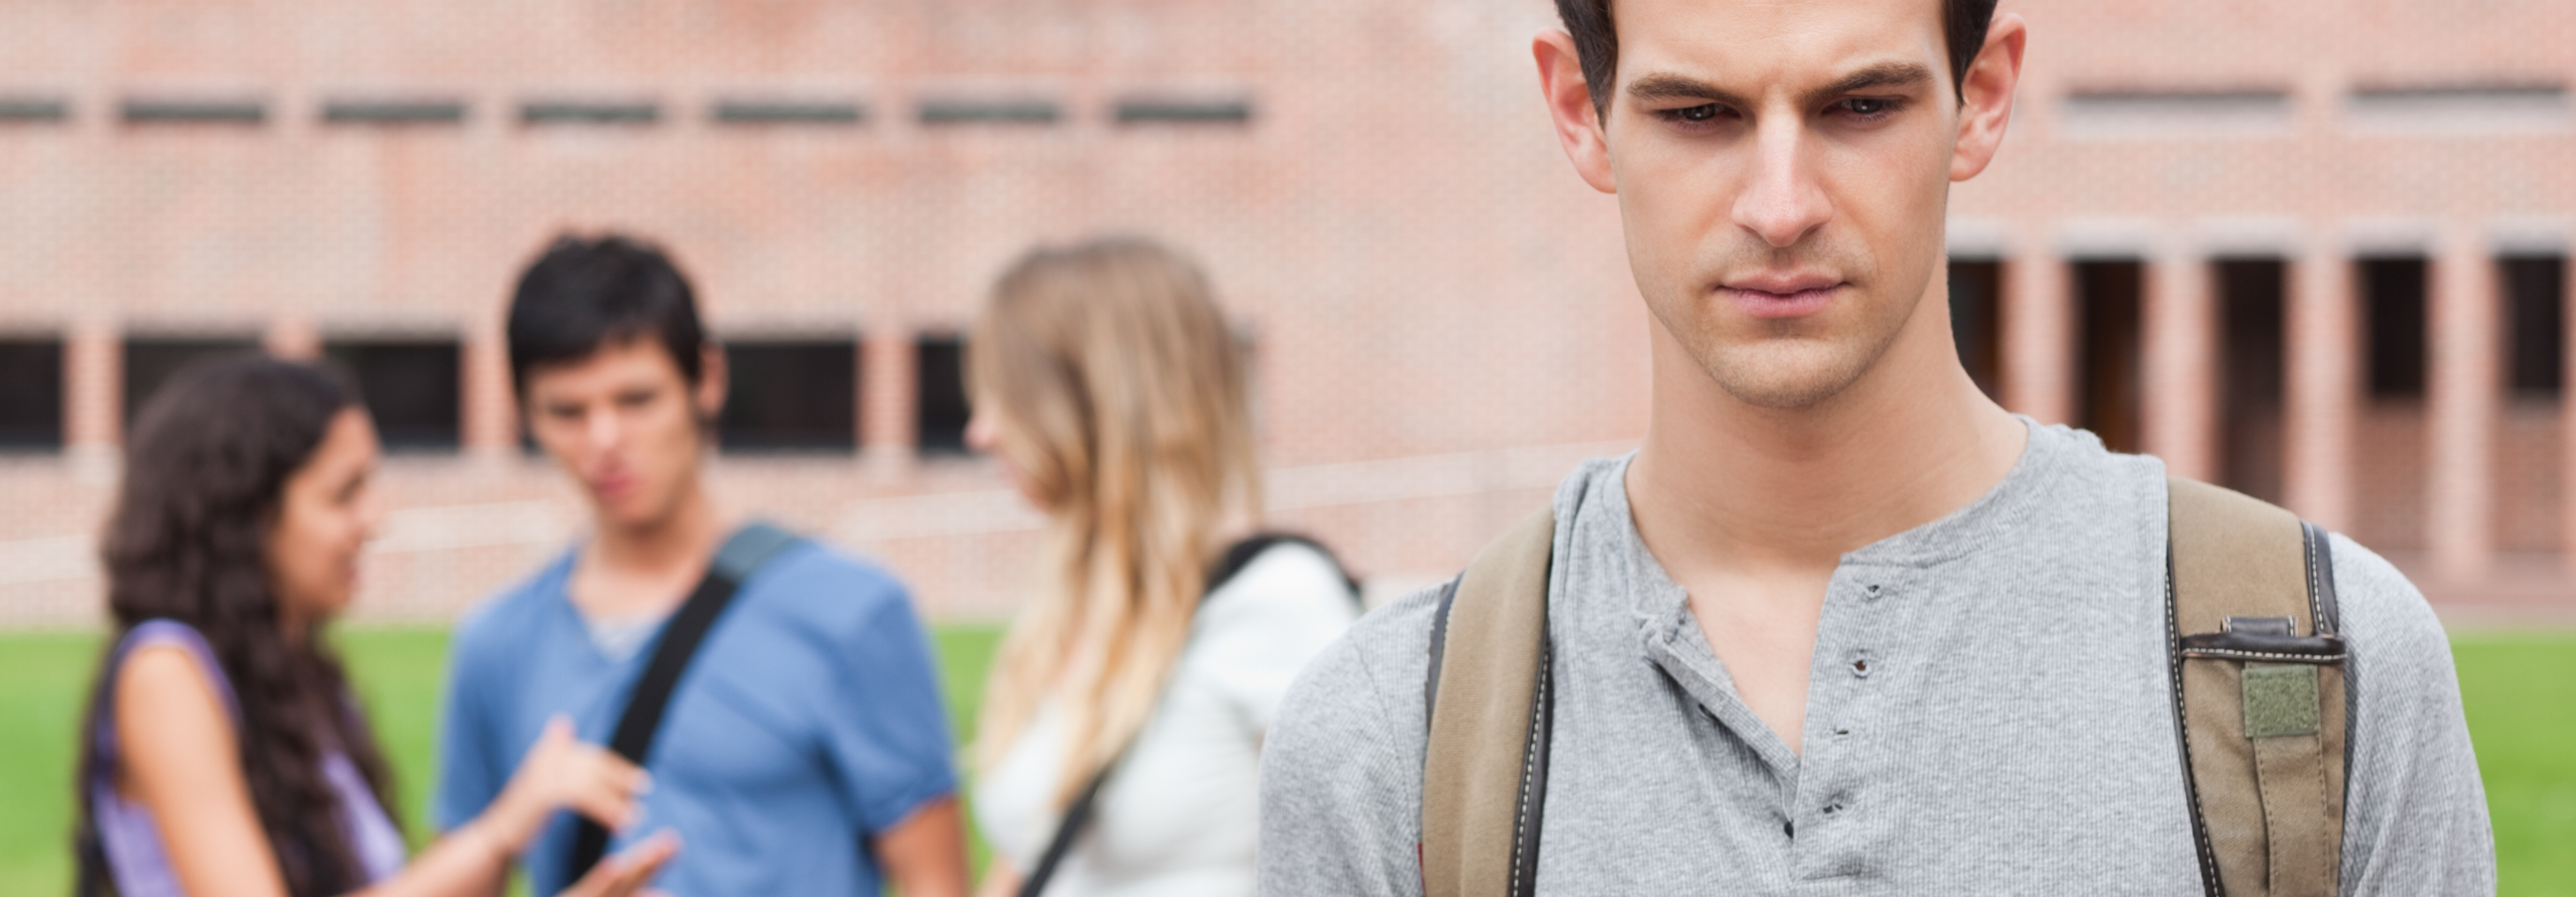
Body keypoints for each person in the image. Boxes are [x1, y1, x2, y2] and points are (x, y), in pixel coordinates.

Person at [1259, 0, 2495, 894]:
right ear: (1579, 115)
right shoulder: (1389, 741)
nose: (1779, 204)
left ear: (1981, 98)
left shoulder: (2325, 665)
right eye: (1699, 113)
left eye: (1858, 106)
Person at [432, 234, 969, 897]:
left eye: (636, 400)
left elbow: (936, 883)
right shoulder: (496, 643)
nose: (604, 441)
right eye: (567, 411)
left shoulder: (852, 612)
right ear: (525, 415)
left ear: (706, 380)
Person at [73, 354, 674, 897]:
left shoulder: (305, 678)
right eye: (344, 494)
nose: (373, 520)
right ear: (250, 517)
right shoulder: (166, 673)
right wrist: (502, 828)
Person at [962, 239, 1359, 897]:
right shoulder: (1065, 607)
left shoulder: (1276, 600)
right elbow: (1033, 857)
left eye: (1009, 397)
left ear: (1098, 401)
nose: (981, 432)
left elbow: (1367, 867)